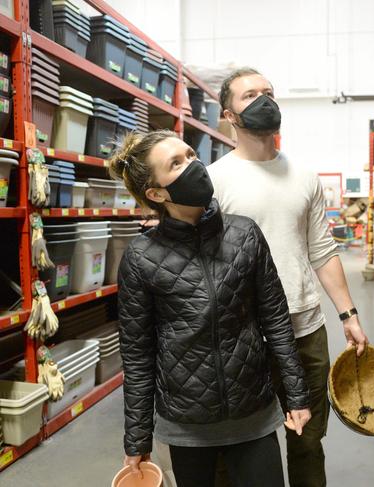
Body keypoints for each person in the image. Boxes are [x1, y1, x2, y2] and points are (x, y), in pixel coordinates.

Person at [109, 130, 312, 487]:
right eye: (176, 164)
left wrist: (296, 394)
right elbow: (138, 355)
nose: (193, 164)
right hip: (187, 424)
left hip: (254, 413)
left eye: (189, 154)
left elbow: (276, 321)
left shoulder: (244, 234)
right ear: (156, 194)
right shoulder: (141, 258)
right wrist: (137, 438)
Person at [207, 67, 370, 487]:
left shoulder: (305, 177)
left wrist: (348, 315)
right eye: (249, 95)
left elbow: (322, 251)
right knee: (237, 443)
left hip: (305, 328)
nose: (264, 100)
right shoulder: (212, 181)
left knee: (308, 439)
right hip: (242, 334)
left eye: (269, 92)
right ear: (228, 114)